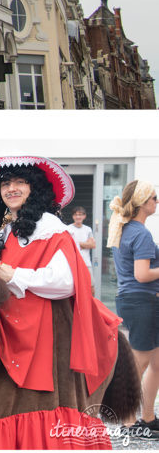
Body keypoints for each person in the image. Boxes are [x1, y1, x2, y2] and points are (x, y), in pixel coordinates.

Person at [0, 154, 123, 448]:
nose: (12, 189)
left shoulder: (51, 226)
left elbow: (66, 282)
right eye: (6, 183)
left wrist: (15, 276)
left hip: (41, 324)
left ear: (33, 187)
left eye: (20, 182)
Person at [108, 179, 159, 435]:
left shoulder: (124, 228)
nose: (157, 202)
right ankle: (129, 421)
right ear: (142, 203)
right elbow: (142, 275)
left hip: (135, 301)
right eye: (154, 198)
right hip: (142, 301)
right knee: (138, 364)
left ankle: (148, 417)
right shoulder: (141, 233)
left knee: (156, 363)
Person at [67, 205, 96, 275]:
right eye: (75, 215)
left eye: (80, 215)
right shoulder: (68, 229)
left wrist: (77, 243)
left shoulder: (88, 229)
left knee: (91, 284)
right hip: (73, 263)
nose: (78, 217)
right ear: (73, 216)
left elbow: (93, 245)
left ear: (84, 216)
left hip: (86, 262)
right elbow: (68, 245)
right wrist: (85, 244)